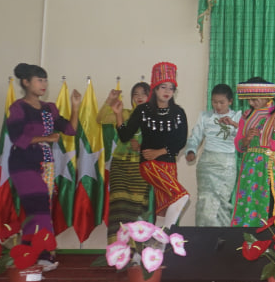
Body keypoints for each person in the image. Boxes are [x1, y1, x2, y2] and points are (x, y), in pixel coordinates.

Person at [6, 63, 81, 270]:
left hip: (45, 164)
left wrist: (75, 106)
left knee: (38, 210)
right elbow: (17, 137)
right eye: (39, 80)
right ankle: (44, 254)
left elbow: (70, 129)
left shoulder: (49, 108)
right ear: (26, 82)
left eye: (45, 80)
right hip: (23, 164)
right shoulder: (18, 108)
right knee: (39, 209)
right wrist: (46, 138)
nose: (43, 84)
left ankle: (26, 252)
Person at [114, 62, 189, 229]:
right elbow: (124, 135)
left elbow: (181, 141)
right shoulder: (143, 110)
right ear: (155, 88)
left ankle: (159, 243)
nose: (167, 91)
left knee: (164, 209)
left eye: (171, 88)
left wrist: (160, 151)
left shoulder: (178, 112)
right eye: (163, 87)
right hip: (149, 164)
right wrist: (118, 115)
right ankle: (164, 238)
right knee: (182, 196)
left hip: (169, 165)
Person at [230, 78, 275, 228]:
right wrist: (247, 139)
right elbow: (239, 146)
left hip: (269, 166)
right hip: (250, 166)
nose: (251, 103)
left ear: (267, 97)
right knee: (248, 200)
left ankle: (269, 238)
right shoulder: (246, 116)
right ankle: (247, 237)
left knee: (270, 202)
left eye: (254, 99)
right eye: (249, 100)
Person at [182, 83, 241, 227]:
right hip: (207, 164)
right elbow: (195, 137)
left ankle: (222, 237)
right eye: (214, 102)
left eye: (222, 102)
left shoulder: (237, 117)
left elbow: (243, 138)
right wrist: (191, 150)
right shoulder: (205, 116)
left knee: (222, 203)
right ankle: (203, 236)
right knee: (205, 201)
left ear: (230, 101)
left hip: (227, 165)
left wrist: (233, 124)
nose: (218, 106)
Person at [101, 82, 151, 241]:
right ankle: (118, 247)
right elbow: (101, 118)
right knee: (119, 207)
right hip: (120, 165)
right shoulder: (125, 113)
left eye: (143, 93)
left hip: (141, 167)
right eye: (135, 94)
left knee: (137, 208)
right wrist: (110, 100)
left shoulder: (156, 118)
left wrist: (142, 147)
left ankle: (136, 247)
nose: (139, 97)